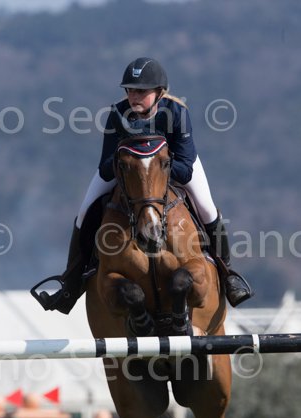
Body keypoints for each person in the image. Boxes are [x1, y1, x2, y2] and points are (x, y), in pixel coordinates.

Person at [32, 57, 252, 314]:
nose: (134, 96)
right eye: (130, 90)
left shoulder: (176, 113)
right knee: (84, 212)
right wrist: (134, 168)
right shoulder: (117, 114)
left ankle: (228, 274)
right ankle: (70, 284)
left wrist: (155, 169)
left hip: (176, 168)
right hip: (128, 172)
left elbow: (185, 167)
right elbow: (106, 164)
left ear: (159, 92)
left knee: (207, 209)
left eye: (141, 91)